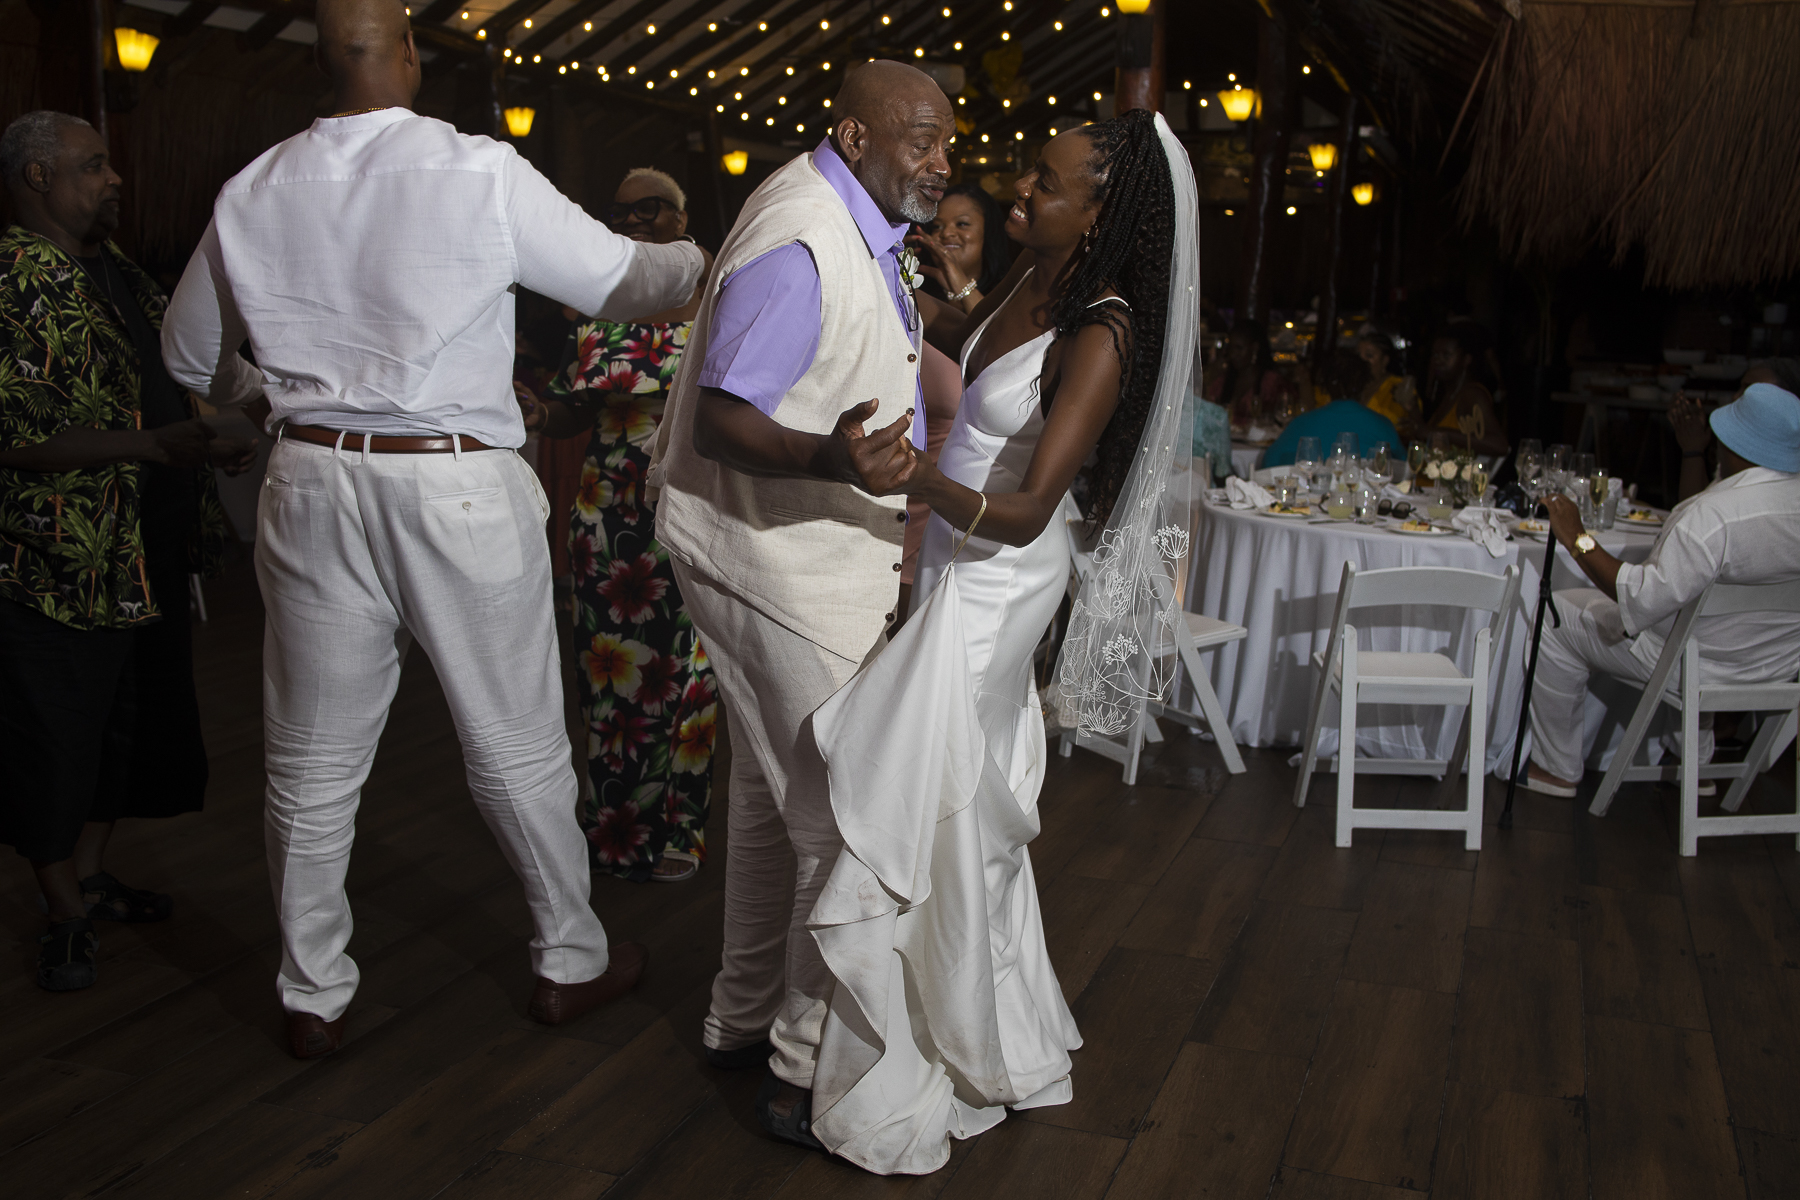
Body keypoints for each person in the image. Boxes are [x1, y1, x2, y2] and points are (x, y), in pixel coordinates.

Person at [159, 0, 705, 1060]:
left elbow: (189, 355)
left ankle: (312, 991)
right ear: (408, 52)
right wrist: (696, 260)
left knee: (311, 757)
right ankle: (569, 960)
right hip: (451, 480)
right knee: (514, 741)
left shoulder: (254, 186)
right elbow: (619, 282)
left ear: (321, 62)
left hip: (311, 477)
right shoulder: (475, 169)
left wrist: (269, 399)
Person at [798, 108, 1190, 1175]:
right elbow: (970, 361)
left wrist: (918, 479)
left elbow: (1027, 512)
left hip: (1000, 573)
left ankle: (928, 1045)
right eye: (1028, 173)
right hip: (950, 555)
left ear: (1098, 214)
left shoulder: (1101, 334)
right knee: (956, 790)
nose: (1020, 190)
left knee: (936, 790)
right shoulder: (1028, 282)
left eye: (1045, 184)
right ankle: (994, 1023)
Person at [645, 59, 946, 1148]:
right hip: (769, 561)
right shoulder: (804, 238)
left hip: (787, 552)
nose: (940, 161)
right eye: (919, 139)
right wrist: (833, 458)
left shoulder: (853, 222)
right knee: (841, 819)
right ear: (854, 137)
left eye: (948, 143)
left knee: (769, 802)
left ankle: (739, 1019)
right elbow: (724, 418)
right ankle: (801, 1069)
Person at [0, 111, 256, 993]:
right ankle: (62, 913)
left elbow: (174, 378)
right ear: (38, 177)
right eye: (93, 165)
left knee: (128, 725)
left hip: (142, 548)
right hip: (56, 560)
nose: (115, 179)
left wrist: (208, 439)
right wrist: (156, 446)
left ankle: (91, 874)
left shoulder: (119, 273)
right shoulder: (16, 281)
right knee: (55, 735)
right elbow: (17, 436)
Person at [515, 167, 718, 884]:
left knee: (687, 672)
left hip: (687, 510)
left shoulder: (714, 302)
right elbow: (575, 407)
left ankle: (680, 827)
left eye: (648, 208)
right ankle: (615, 828)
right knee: (607, 676)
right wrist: (540, 412)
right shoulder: (600, 306)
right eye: (619, 211)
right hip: (605, 518)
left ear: (681, 219)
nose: (630, 220)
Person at [1523, 384, 1800, 798]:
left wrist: (1578, 538)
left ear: (1736, 447)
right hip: (1774, 670)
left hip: (1694, 668)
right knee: (1696, 621)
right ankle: (1694, 764)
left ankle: (1556, 767)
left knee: (1555, 614)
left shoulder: (1715, 516)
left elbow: (1639, 599)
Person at [1669, 357, 1800, 502]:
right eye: (1741, 387)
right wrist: (1693, 448)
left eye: (1751, 391)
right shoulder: (1739, 450)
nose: (1735, 396)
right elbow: (1697, 506)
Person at [1262, 349, 1399, 468]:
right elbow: (1402, 468)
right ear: (1365, 384)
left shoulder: (1302, 423)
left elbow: (1269, 463)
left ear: (1325, 385)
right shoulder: (1382, 425)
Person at [909, 181, 1012, 312]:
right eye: (937, 226)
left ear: (989, 231)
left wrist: (962, 287)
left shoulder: (1012, 291)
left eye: (962, 224)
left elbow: (994, 325)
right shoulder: (918, 292)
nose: (946, 233)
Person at [1423, 322, 1507, 457]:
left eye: (1446, 355)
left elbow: (1500, 446)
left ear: (1466, 359)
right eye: (1435, 355)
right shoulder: (1449, 392)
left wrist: (1442, 434)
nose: (1438, 361)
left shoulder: (1472, 394)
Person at [1205, 317, 1284, 427]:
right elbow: (1205, 413)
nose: (1233, 354)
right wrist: (1210, 378)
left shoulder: (1271, 382)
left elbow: (1281, 417)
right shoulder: (1223, 380)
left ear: (1255, 347)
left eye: (1239, 348)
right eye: (1231, 347)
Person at [1357, 331, 1418, 430]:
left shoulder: (1399, 386)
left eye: (1369, 355)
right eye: (1358, 356)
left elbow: (1414, 424)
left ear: (1385, 360)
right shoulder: (1351, 387)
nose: (1361, 361)